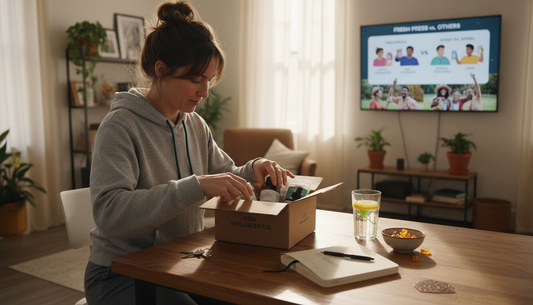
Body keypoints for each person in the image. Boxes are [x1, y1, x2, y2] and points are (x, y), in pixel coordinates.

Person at [83, 2, 294, 304]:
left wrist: (254, 168)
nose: (205, 91)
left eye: (209, 80)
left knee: (252, 296)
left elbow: (225, 174)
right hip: (120, 272)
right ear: (161, 71)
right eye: (196, 80)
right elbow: (110, 215)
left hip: (179, 262)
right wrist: (196, 185)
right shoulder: (120, 126)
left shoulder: (194, 123)